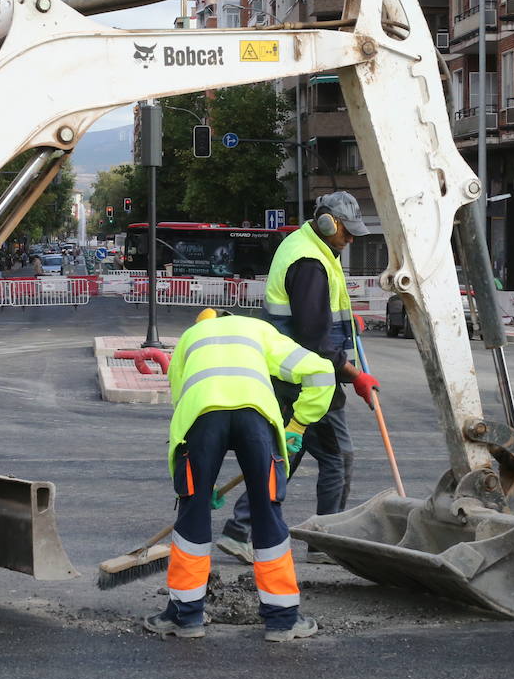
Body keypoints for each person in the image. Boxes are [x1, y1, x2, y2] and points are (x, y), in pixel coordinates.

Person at [143, 308, 335, 642]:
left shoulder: (189, 338)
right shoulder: (257, 330)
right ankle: (283, 620)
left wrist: (199, 489)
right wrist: (297, 424)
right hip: (255, 417)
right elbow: (321, 372)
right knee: (267, 512)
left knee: (193, 512)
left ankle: (185, 617)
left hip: (202, 418)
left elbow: (182, 404)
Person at [219, 191, 381, 564]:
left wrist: (347, 324)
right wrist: (356, 376)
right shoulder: (309, 262)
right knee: (338, 458)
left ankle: (239, 529)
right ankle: (325, 543)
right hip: (310, 378)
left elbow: (317, 316)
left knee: (287, 453)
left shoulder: (307, 247)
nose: (351, 239)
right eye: (347, 231)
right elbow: (315, 339)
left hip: (292, 373)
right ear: (328, 223)